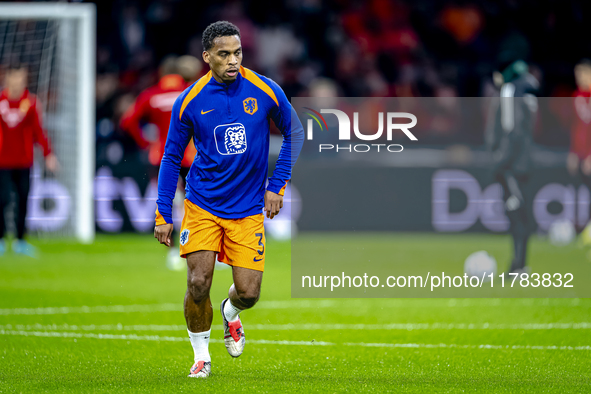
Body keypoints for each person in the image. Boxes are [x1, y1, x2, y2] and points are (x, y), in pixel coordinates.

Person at [153, 21, 304, 378]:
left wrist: (277, 184)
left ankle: (230, 313)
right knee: (197, 282)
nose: (233, 60)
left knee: (250, 293)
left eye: (237, 52)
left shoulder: (264, 89)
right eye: (224, 54)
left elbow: (295, 131)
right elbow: (171, 156)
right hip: (203, 204)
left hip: (248, 207)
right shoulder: (189, 101)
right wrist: (163, 213)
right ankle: (201, 356)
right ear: (207, 57)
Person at [120, 55, 200, 269]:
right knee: (199, 203)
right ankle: (207, 249)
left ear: (162, 74)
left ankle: (175, 251)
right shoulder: (191, 92)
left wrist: (145, 142)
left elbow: (127, 120)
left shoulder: (151, 95)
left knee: (171, 204)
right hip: (190, 157)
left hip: (163, 157)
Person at [0, 65, 58, 257]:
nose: (17, 82)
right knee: (3, 200)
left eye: (20, 79)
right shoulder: (1, 102)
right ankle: (1, 240)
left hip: (24, 161)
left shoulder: (30, 102)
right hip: (2, 162)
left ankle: (20, 241)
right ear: (7, 80)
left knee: (23, 199)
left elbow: (38, 131)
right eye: (13, 78)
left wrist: (48, 154)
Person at [487, 59, 539, 275]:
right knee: (520, 212)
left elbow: (511, 128)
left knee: (516, 214)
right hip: (525, 161)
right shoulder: (529, 90)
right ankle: (520, 264)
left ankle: (518, 266)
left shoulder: (510, 90)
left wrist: (500, 161)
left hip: (512, 165)